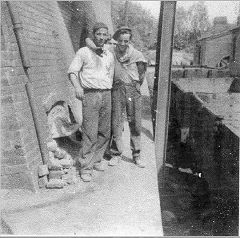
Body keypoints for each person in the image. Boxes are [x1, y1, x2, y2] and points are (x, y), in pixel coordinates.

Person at [86, 27, 147, 168]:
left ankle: (136, 155)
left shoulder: (136, 54)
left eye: (126, 41)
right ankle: (116, 154)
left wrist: (135, 85)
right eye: (120, 41)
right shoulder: (111, 50)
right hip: (117, 89)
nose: (123, 44)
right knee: (116, 122)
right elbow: (89, 41)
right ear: (116, 40)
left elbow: (142, 73)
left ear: (129, 41)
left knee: (135, 123)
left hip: (133, 90)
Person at [68, 22, 114, 182]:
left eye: (104, 34)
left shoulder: (108, 54)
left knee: (104, 132)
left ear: (108, 36)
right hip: (91, 94)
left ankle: (97, 160)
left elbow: (110, 75)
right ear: (93, 35)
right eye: (99, 34)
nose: (101, 37)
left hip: (106, 94)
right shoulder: (84, 52)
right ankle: (85, 167)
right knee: (89, 132)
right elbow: (72, 72)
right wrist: (77, 87)